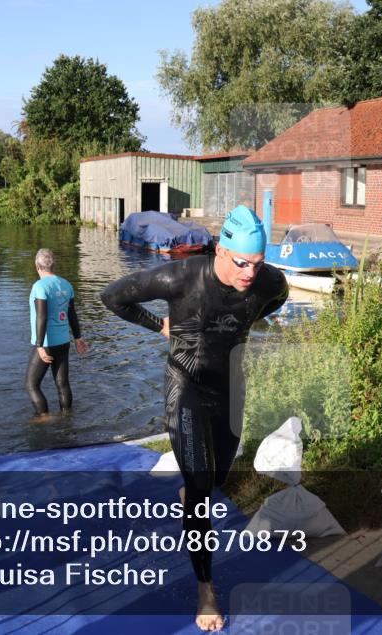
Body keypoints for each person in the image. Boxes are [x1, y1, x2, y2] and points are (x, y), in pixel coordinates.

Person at [100, 205, 288, 632]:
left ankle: (194, 487)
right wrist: (159, 325)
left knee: (217, 478)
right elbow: (112, 297)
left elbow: (277, 298)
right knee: (202, 490)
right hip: (186, 386)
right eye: (241, 263)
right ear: (220, 251)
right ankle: (206, 589)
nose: (250, 274)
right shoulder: (180, 277)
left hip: (230, 387)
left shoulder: (269, 282)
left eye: (257, 264)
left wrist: (244, 321)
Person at [26, 248, 88, 414]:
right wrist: (78, 337)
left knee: (31, 385)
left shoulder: (39, 286)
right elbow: (72, 313)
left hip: (46, 343)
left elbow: (42, 316)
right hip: (63, 341)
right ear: (54, 265)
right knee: (62, 384)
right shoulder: (66, 284)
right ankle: (67, 416)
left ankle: (43, 417)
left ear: (37, 266)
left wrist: (39, 345)